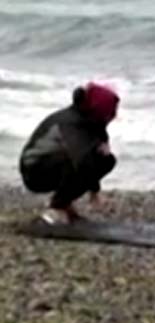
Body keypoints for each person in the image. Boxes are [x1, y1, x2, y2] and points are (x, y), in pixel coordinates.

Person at [19, 82, 120, 225]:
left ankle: (64, 203)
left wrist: (95, 192)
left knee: (106, 160)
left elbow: (95, 157)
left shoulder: (93, 123)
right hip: (34, 170)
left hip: (57, 163)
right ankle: (57, 206)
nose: (113, 117)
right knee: (82, 160)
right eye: (111, 113)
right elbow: (81, 160)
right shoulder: (70, 123)